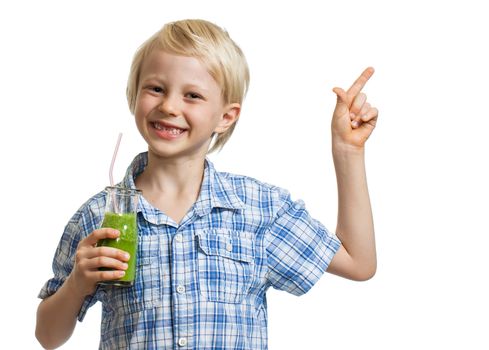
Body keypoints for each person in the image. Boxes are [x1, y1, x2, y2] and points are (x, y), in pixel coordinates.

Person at [36, 19, 378, 349]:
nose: (169, 106)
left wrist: (347, 151)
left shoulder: (258, 209)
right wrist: (77, 283)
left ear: (225, 117)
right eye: (155, 88)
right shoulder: (100, 215)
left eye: (192, 96)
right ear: (134, 95)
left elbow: (358, 263)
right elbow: (47, 336)